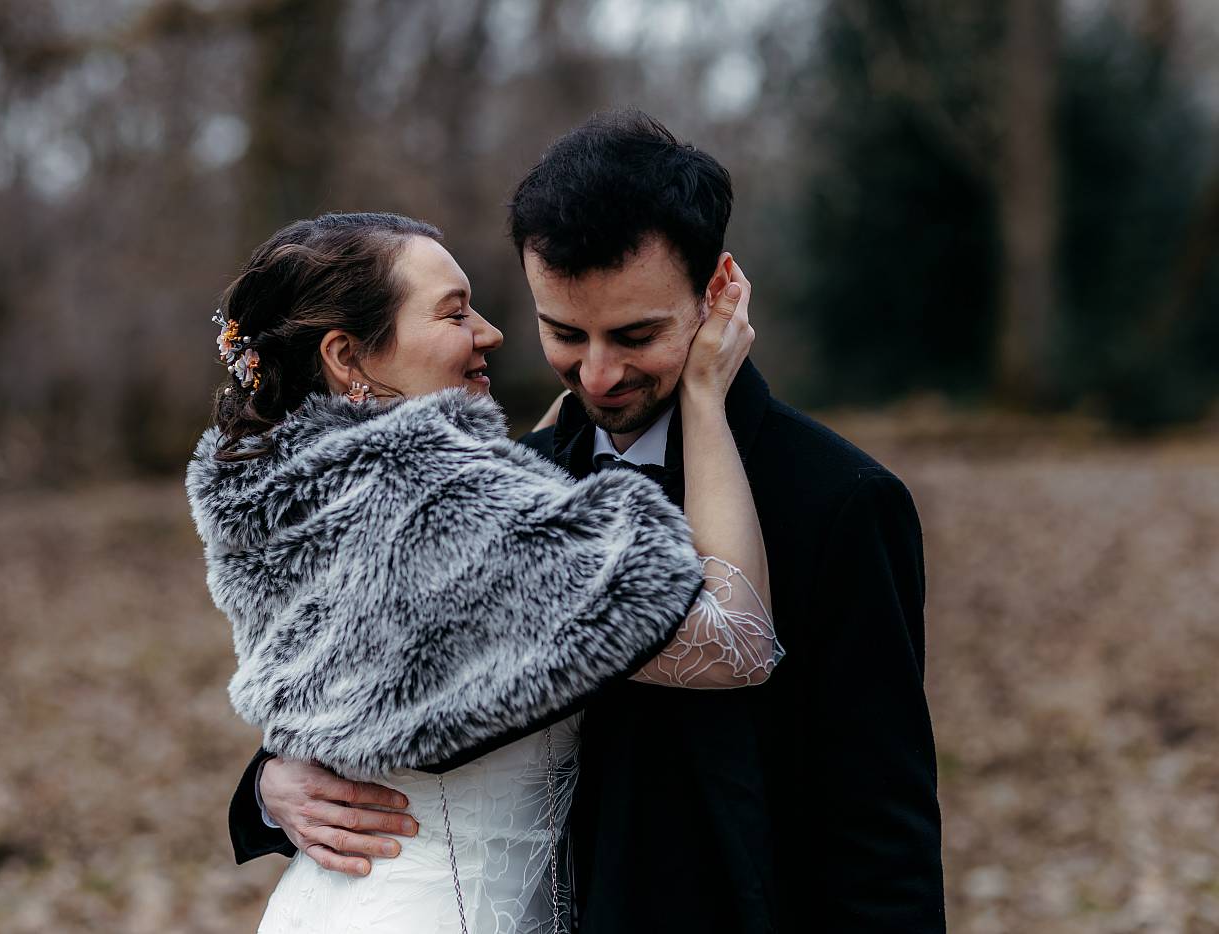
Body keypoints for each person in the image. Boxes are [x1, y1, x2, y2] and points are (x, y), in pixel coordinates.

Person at [235, 112, 946, 933]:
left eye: (635, 335)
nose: (598, 374)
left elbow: (880, 827)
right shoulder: (510, 477)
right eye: (564, 332)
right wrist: (271, 784)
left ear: (716, 293)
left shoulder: (838, 501)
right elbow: (373, 683)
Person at [187, 209, 784, 933]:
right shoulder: (447, 510)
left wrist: (270, 780)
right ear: (348, 357)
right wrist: (704, 400)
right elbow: (739, 643)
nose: (491, 332)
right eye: (454, 313)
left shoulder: (290, 496)